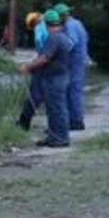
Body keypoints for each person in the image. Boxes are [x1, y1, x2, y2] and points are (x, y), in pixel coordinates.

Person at [16, 10, 73, 148]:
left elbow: (44, 59)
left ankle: (60, 139)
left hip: (55, 79)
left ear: (46, 23)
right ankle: (53, 137)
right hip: (61, 76)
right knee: (54, 109)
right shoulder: (63, 37)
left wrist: (27, 67)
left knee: (57, 109)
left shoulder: (53, 38)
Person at [54, 3, 90, 131]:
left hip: (73, 62)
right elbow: (87, 37)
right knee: (74, 90)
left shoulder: (70, 26)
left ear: (62, 16)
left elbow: (70, 43)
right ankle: (74, 119)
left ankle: (75, 120)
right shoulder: (78, 23)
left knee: (72, 91)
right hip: (79, 60)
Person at [15, 11, 48, 131]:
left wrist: (31, 65)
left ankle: (24, 122)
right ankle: (24, 121)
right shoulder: (48, 25)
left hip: (43, 65)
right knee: (42, 95)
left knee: (34, 94)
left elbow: (41, 45)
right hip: (46, 64)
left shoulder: (39, 28)